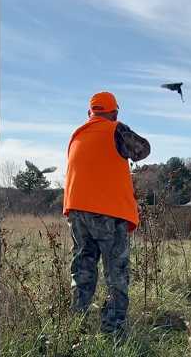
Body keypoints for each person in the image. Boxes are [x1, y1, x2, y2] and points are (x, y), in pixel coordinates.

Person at [63, 91, 150, 335]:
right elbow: (143, 150)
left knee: (83, 268)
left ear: (89, 113)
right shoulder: (116, 129)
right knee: (116, 273)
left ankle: (76, 325)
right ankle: (113, 332)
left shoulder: (77, 134)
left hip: (77, 212)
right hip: (108, 213)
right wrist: (121, 127)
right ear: (114, 112)